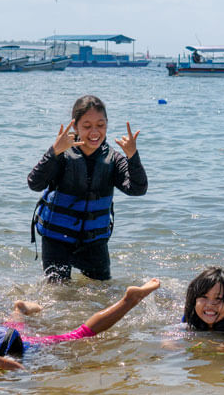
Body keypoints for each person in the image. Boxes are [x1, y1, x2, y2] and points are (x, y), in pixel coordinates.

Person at [0, 278, 161, 370]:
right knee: (15, 324)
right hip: (6, 332)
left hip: (29, 345)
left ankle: (129, 300)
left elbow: (18, 368)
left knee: (79, 334)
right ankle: (19, 307)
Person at [28, 95, 148, 282]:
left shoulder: (113, 159)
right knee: (58, 297)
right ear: (75, 127)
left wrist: (133, 156)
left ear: (107, 124)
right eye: (87, 126)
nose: (94, 132)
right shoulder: (62, 155)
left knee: (101, 295)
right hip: (57, 240)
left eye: (100, 125)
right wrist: (53, 151)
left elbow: (138, 189)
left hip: (94, 243)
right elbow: (34, 183)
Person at [183, 267, 224, 333]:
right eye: (204, 297)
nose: (210, 305)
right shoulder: (185, 326)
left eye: (218, 298)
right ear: (194, 301)